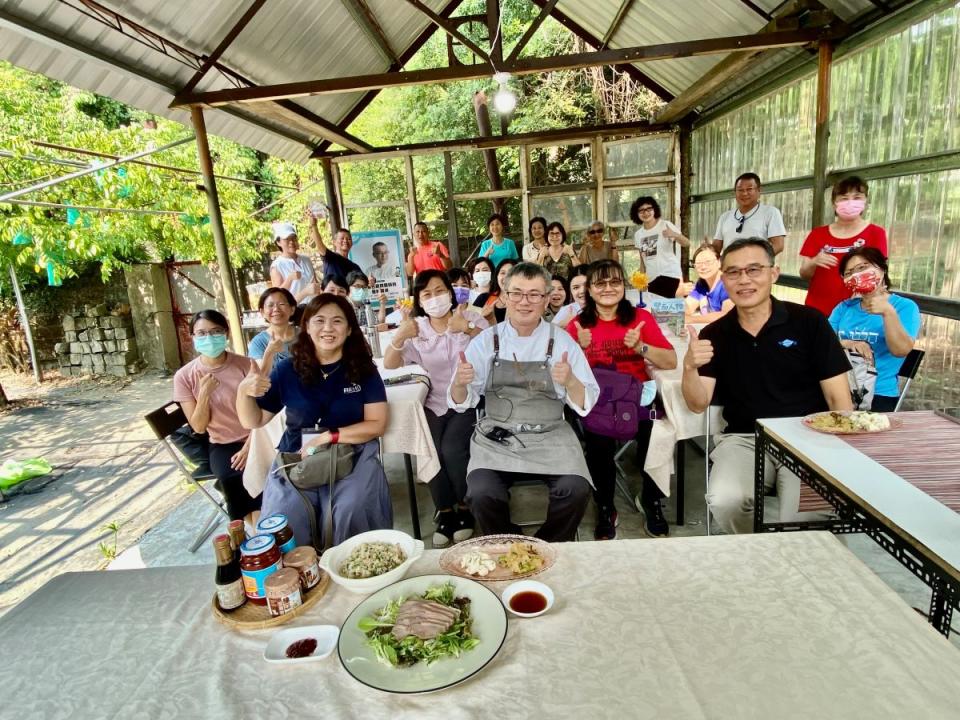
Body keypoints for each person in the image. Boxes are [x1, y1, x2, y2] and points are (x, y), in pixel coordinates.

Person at [681, 238, 852, 534]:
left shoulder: (809, 322)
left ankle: (799, 561)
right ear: (724, 278)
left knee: (803, 519)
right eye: (733, 272)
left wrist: (839, 452)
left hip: (807, 436)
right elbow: (698, 403)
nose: (744, 280)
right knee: (725, 499)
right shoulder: (714, 333)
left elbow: (838, 397)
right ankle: (756, 551)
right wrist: (688, 368)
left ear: (773, 274)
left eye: (754, 269)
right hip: (744, 438)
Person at [449, 262, 599, 542]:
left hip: (551, 432)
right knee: (481, 492)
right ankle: (507, 541)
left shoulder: (563, 342)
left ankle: (547, 545)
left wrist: (570, 382)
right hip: (497, 434)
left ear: (546, 300)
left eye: (534, 295)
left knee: (576, 488)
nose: (524, 302)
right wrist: (459, 383)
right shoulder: (485, 341)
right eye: (516, 293)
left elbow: (586, 403)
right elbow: (461, 402)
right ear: (504, 296)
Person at [236, 294, 392, 547]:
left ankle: (355, 575)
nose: (328, 328)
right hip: (297, 454)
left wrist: (330, 436)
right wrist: (243, 392)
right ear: (306, 326)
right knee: (284, 515)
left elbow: (377, 424)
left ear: (350, 329)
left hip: (352, 450)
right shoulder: (288, 369)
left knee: (351, 507)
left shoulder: (363, 369)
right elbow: (253, 420)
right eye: (319, 320)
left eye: (337, 321)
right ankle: (299, 577)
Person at [567, 260, 677, 539]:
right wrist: (578, 348)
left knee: (658, 432)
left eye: (615, 282)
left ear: (624, 287)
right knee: (597, 442)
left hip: (639, 397)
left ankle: (651, 499)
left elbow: (670, 360)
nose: (608, 288)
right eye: (600, 283)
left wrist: (641, 347)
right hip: (600, 400)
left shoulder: (641, 319)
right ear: (589, 290)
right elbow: (562, 373)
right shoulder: (578, 325)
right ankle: (605, 506)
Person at [384, 269, 488, 547]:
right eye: (426, 293)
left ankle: (464, 507)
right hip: (431, 402)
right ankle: (444, 510)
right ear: (418, 298)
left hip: (465, 400)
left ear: (451, 292)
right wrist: (400, 336)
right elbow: (391, 364)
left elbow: (494, 347)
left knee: (453, 450)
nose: (434, 298)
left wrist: (464, 328)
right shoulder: (417, 327)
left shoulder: (470, 316)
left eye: (440, 291)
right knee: (430, 449)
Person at [173, 310, 262, 526]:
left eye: (215, 332)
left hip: (257, 437)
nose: (209, 338)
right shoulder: (185, 376)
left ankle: (259, 528)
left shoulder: (246, 365)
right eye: (201, 333)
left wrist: (249, 446)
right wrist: (203, 394)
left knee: (267, 472)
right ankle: (255, 531)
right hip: (223, 443)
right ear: (192, 337)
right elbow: (199, 427)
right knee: (232, 475)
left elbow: (264, 414)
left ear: (226, 333)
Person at [829, 248, 920, 412]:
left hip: (879, 394)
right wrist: (847, 343)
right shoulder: (843, 308)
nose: (856, 275)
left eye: (863, 267)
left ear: (882, 269)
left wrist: (888, 312)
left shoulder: (904, 307)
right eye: (849, 272)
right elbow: (821, 342)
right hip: (839, 389)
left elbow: (901, 350)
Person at [799, 176, 888, 317]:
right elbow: (804, 274)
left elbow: (880, 273)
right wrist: (813, 262)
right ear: (834, 203)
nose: (850, 203)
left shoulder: (876, 233)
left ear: (865, 201)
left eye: (857, 197)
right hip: (818, 309)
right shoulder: (817, 234)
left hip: (858, 310)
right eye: (844, 198)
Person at [630, 196, 690, 297]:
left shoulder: (665, 225)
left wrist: (675, 235)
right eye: (641, 210)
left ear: (655, 210)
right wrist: (642, 282)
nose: (645, 213)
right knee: (657, 310)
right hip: (652, 279)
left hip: (671, 275)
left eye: (649, 209)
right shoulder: (638, 235)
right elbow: (642, 261)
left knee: (674, 310)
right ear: (636, 214)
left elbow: (687, 243)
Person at [713, 173, 786, 255]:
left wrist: (756, 261)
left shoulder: (770, 212)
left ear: (759, 190)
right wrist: (706, 250)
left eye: (749, 189)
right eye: (740, 190)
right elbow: (716, 247)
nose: (744, 193)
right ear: (735, 192)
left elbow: (778, 245)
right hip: (730, 267)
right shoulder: (725, 217)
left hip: (756, 267)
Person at [268, 222, 321, 304]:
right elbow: (277, 297)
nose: (291, 242)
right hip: (294, 313)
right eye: (287, 239)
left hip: (313, 308)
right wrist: (289, 279)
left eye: (293, 238)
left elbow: (315, 283)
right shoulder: (277, 266)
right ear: (278, 242)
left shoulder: (306, 260)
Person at [304, 211, 363, 284]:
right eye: (342, 238)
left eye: (348, 239)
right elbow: (319, 245)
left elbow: (364, 282)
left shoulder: (355, 267)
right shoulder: (331, 258)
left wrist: (370, 281)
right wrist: (314, 225)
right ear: (334, 242)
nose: (345, 241)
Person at [249, 287, 297, 375]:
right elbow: (260, 378)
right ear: (262, 312)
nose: (276, 309)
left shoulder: (305, 335)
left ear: (292, 309)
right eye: (270, 305)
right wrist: (269, 352)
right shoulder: (258, 343)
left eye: (281, 304)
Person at [684, 245, 733, 325]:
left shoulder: (727, 283)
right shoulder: (701, 284)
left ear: (719, 262)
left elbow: (726, 315)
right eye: (698, 263)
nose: (703, 267)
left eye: (708, 262)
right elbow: (688, 308)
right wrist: (678, 293)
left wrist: (691, 319)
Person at [473, 258, 517, 324]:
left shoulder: (525, 302)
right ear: (497, 276)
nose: (506, 277)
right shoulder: (482, 298)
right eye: (502, 273)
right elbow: (469, 324)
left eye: (511, 273)